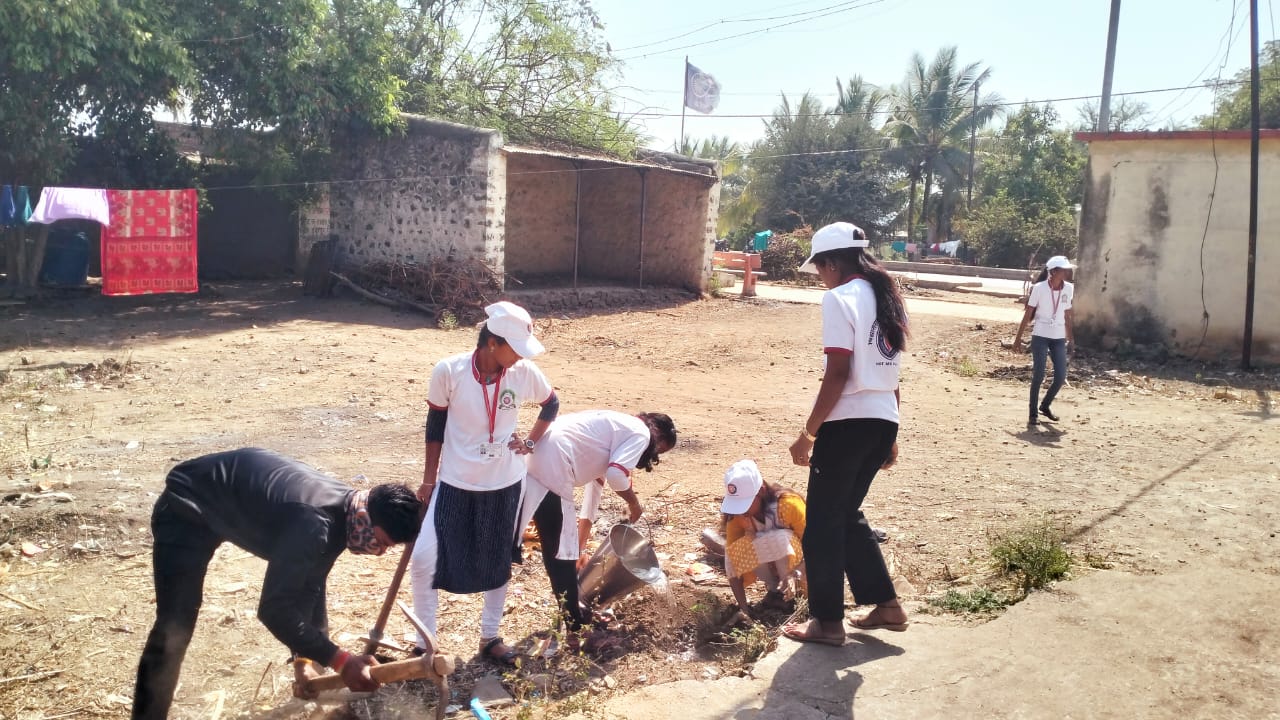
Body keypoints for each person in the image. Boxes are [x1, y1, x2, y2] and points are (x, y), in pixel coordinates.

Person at [132, 448, 422, 720]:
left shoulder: (345, 512)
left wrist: (304, 661)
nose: (379, 551)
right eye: (381, 542)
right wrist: (341, 660)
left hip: (223, 502)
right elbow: (274, 610)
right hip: (187, 506)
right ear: (364, 518)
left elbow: (310, 586)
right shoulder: (314, 522)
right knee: (175, 627)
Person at [411, 301, 559, 666]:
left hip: (506, 483)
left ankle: (490, 637)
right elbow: (435, 428)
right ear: (492, 343)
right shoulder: (449, 371)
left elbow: (551, 404)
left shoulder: (522, 373)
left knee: (498, 561)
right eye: (515, 349)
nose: (520, 358)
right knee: (424, 558)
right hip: (455, 482)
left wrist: (530, 442)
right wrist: (429, 482)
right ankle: (424, 642)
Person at [784, 221, 910, 647]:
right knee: (846, 514)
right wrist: (891, 431)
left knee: (820, 524)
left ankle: (827, 622)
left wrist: (807, 434)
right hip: (881, 420)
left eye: (820, 268)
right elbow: (890, 370)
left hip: (849, 424)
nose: (820, 276)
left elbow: (838, 373)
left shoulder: (839, 299)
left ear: (832, 262)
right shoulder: (888, 296)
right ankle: (887, 606)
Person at [519, 410, 678, 643]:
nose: (653, 457)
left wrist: (580, 550)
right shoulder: (641, 433)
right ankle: (576, 630)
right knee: (561, 552)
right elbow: (616, 475)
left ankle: (574, 611)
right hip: (555, 461)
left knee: (559, 547)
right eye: (659, 451)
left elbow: (592, 500)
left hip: (537, 458)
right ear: (658, 436)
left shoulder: (613, 434)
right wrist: (634, 503)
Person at [718, 459, 807, 619]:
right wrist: (743, 609)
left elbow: (815, 548)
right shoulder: (738, 517)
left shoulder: (789, 505)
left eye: (745, 503)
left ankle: (796, 596)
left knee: (780, 539)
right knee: (739, 549)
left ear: (762, 490)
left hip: (804, 572)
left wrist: (794, 574)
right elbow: (732, 561)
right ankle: (776, 592)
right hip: (779, 575)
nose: (741, 511)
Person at [1013, 256, 1076, 428]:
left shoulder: (1069, 288)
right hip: (1040, 335)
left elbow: (1067, 314)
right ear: (1054, 271)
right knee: (1039, 375)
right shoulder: (1039, 288)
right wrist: (1017, 340)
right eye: (1064, 269)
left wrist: (1071, 339)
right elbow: (1028, 314)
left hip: (1058, 337)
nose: (1068, 272)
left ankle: (1045, 405)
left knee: (1061, 376)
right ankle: (1033, 414)